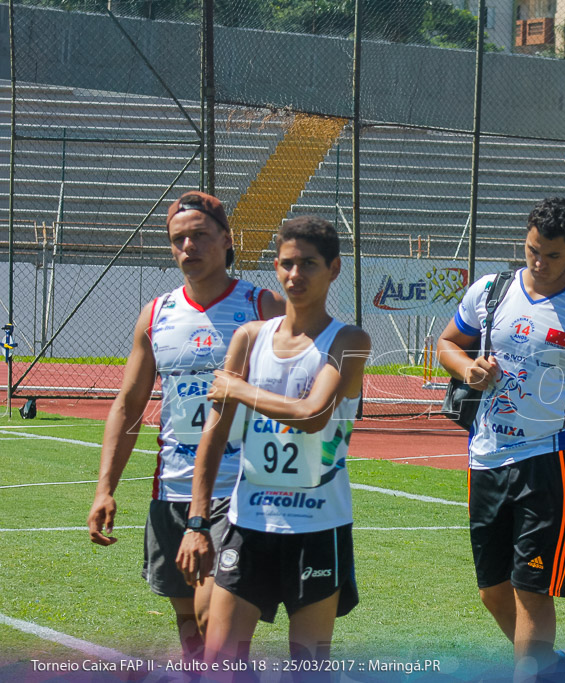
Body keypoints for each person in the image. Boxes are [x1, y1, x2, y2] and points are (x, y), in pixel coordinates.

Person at [86, 191, 284, 660]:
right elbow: (129, 404)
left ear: (227, 240)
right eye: (178, 240)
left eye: (199, 236)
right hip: (171, 489)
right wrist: (104, 488)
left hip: (241, 488)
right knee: (188, 623)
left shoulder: (262, 306)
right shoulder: (156, 314)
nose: (188, 248)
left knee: (212, 618)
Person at [436, 197, 565, 681]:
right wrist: (468, 368)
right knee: (492, 591)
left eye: (552, 255)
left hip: (549, 462)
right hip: (486, 458)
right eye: (532, 250)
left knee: (532, 590)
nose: (539, 263)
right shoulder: (490, 291)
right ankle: (555, 667)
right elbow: (448, 344)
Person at [176, 216, 370, 670]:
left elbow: (313, 414)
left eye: (308, 264)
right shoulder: (249, 337)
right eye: (286, 264)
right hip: (249, 524)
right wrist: (197, 522)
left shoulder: (350, 341)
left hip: (318, 528)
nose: (295, 275)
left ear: (334, 268)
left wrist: (239, 389)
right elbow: (215, 434)